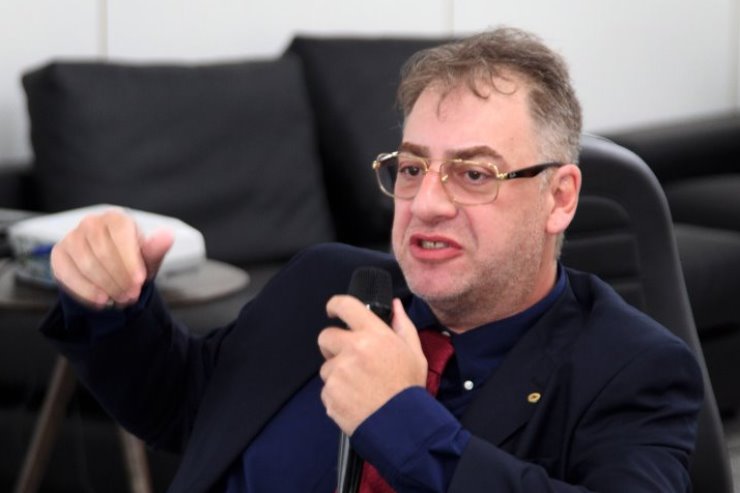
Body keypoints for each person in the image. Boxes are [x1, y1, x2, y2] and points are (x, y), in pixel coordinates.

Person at [41, 27, 702, 492]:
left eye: (474, 174)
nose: (427, 204)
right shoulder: (323, 284)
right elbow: (186, 405)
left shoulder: (633, 369)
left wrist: (402, 422)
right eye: (412, 168)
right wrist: (112, 308)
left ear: (559, 198)